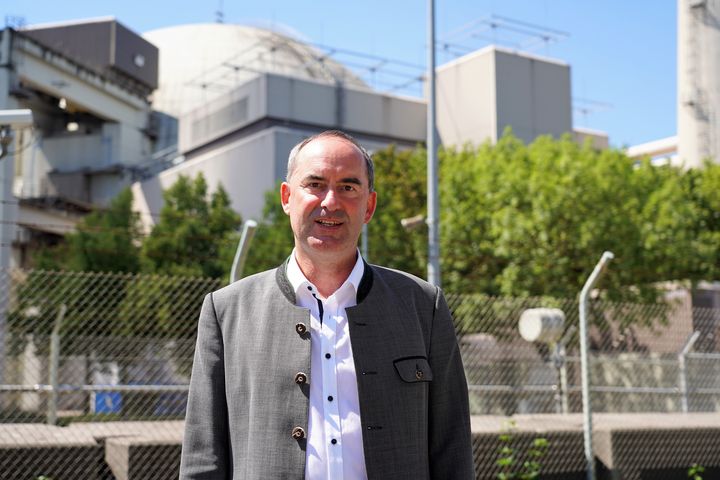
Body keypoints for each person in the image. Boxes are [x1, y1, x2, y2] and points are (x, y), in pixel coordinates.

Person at [180, 130, 474, 479]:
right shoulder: (227, 311)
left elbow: (452, 448)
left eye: (348, 187)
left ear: (369, 205)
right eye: (315, 184)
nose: (330, 201)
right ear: (287, 197)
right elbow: (203, 458)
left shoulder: (424, 306)